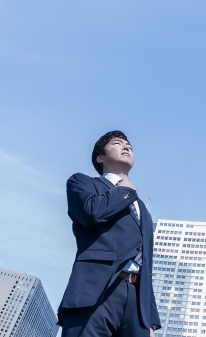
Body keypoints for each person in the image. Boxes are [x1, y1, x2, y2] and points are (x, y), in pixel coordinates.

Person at [58, 130, 161, 337]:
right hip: (95, 292)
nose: (126, 146)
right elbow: (91, 213)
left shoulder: (143, 210)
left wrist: (150, 320)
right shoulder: (82, 182)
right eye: (117, 143)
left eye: (129, 145)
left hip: (137, 306)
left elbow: (146, 264)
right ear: (100, 157)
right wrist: (125, 190)